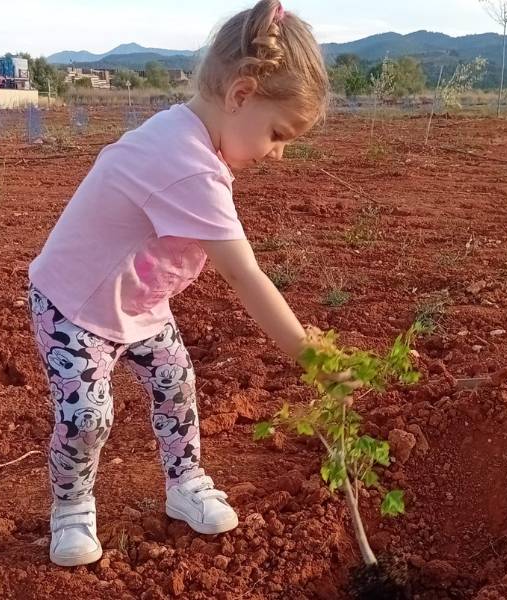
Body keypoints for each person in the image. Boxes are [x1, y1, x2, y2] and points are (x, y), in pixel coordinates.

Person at [27, 0, 333, 567]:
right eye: (278, 133)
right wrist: (310, 355)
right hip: (73, 306)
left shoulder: (192, 137)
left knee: (176, 386)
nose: (279, 153)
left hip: (138, 302)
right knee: (87, 417)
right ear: (241, 95)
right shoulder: (186, 164)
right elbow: (245, 274)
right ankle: (70, 508)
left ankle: (184, 482)